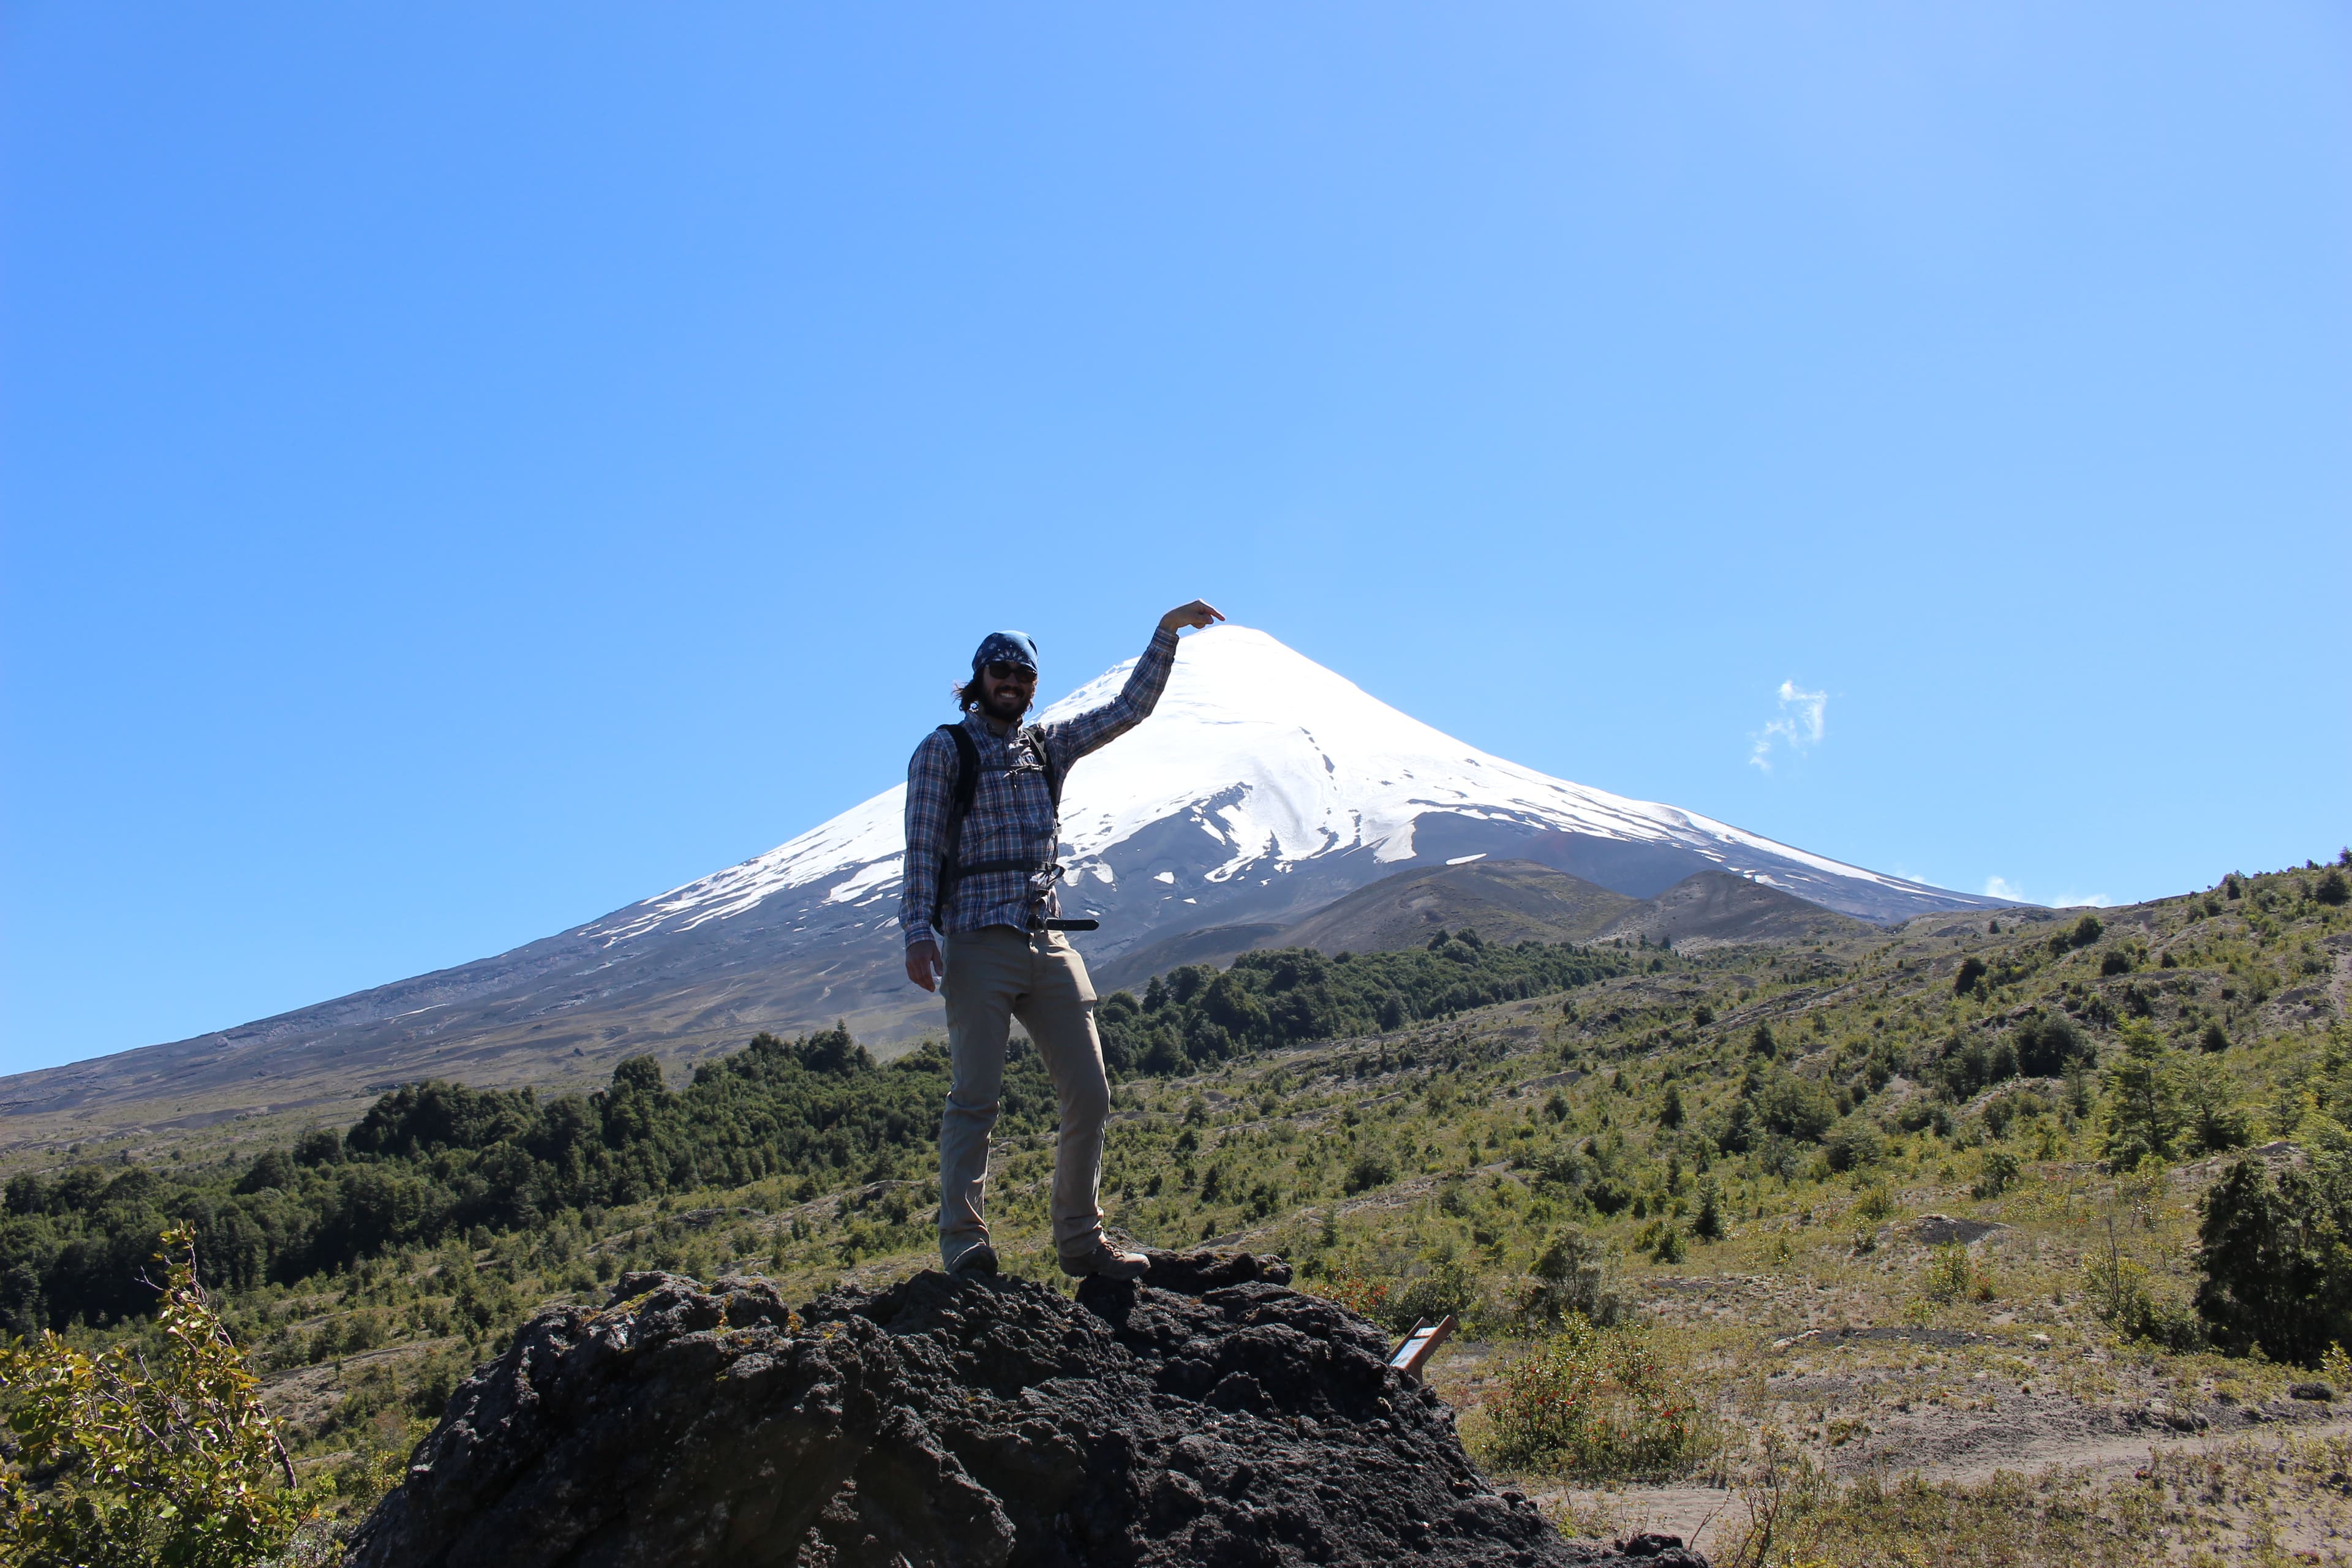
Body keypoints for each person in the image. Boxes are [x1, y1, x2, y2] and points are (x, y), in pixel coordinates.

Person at [903, 600, 1224, 1278]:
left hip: (1048, 941)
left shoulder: (1048, 746)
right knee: (976, 1099)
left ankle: (1081, 1241)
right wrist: (916, 933)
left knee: (1091, 1091)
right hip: (975, 940)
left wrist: (1165, 634)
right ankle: (964, 1243)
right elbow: (922, 846)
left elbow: (1126, 710)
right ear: (978, 677)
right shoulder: (944, 751)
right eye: (1000, 672)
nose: (1011, 683)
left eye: (1023, 675)